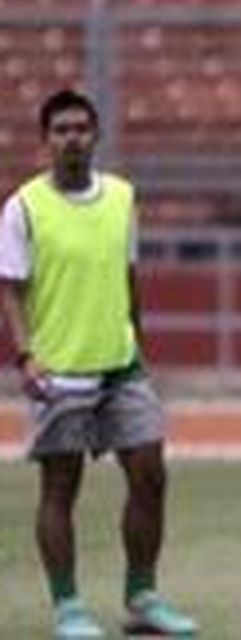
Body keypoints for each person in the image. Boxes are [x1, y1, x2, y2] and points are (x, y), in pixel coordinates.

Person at [0, 90, 197, 639]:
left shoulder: (121, 198)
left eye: (82, 128)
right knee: (61, 487)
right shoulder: (23, 207)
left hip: (122, 363)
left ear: (97, 135)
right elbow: (11, 290)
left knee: (151, 475)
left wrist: (139, 342)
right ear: (46, 140)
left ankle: (142, 596)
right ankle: (68, 607)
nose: (72, 139)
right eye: (61, 130)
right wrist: (25, 355)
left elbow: (129, 276)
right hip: (59, 369)